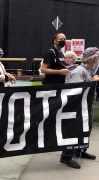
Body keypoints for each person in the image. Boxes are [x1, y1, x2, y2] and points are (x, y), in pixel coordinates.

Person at [40, 32, 80, 169]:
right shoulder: (50, 52)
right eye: (60, 38)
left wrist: (67, 70)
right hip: (50, 88)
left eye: (64, 38)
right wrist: (60, 72)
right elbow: (43, 69)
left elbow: (60, 68)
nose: (63, 40)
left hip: (59, 88)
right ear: (54, 40)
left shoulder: (62, 53)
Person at [66, 47, 99, 164]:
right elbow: (74, 91)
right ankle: (66, 156)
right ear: (92, 59)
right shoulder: (78, 71)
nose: (98, 60)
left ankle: (80, 150)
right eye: (97, 58)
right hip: (77, 108)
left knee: (86, 129)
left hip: (86, 106)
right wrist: (93, 82)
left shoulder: (89, 71)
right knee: (74, 130)